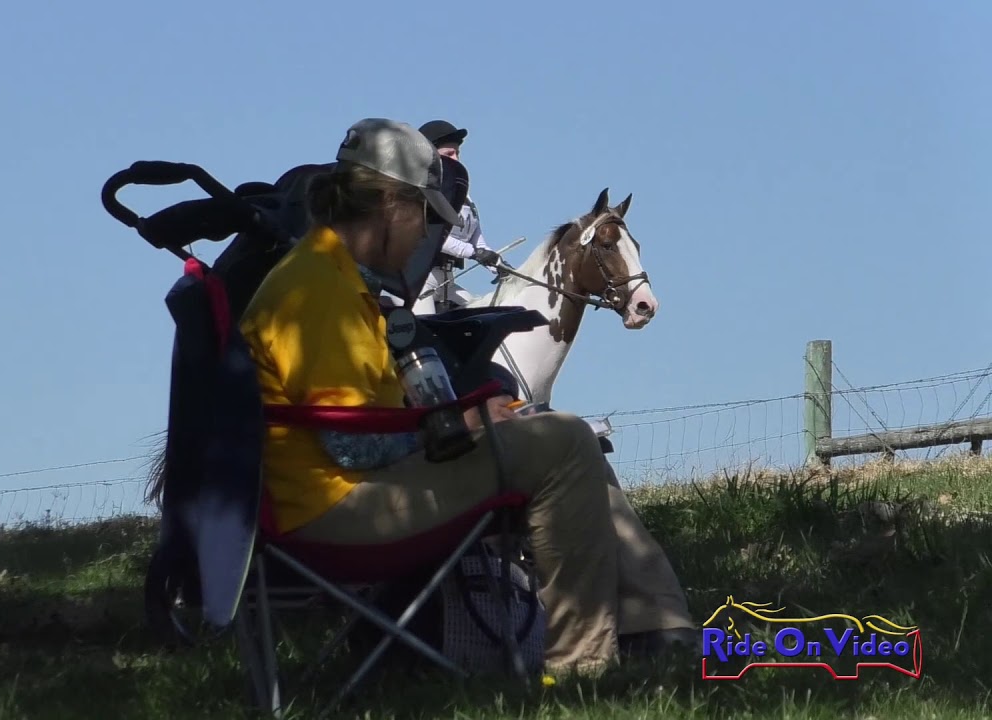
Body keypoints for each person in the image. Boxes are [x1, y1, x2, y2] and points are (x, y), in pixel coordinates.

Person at [237, 117, 694, 679]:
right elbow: (355, 449)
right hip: (335, 511)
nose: (424, 237)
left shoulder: (328, 274)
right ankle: (586, 669)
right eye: (427, 217)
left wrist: (472, 417)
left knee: (554, 436)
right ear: (392, 207)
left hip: (333, 498)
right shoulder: (319, 291)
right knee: (565, 440)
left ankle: (657, 633)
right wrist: (465, 420)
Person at [414, 119, 501, 315]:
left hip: (447, 282)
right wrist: (473, 253)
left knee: (487, 316)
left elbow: (477, 241)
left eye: (457, 153)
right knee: (420, 341)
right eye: (449, 154)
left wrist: (500, 266)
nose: (457, 159)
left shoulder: (465, 198)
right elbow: (434, 236)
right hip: (417, 285)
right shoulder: (416, 193)